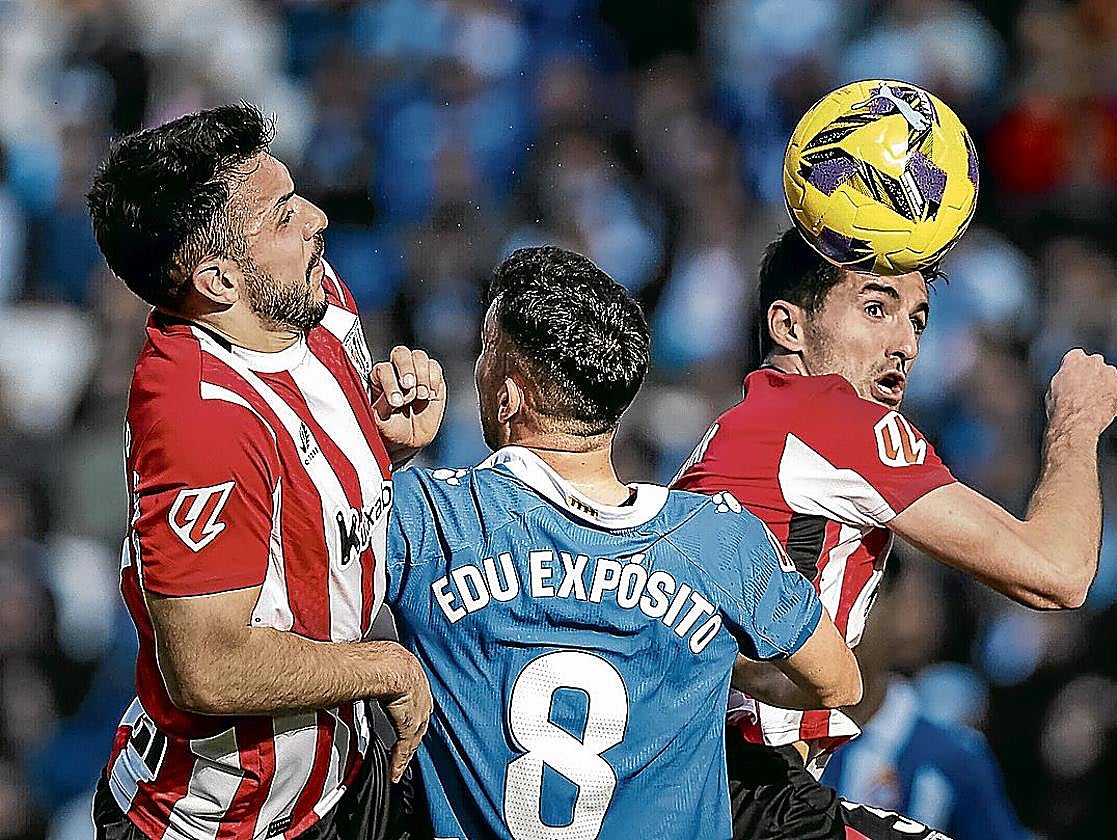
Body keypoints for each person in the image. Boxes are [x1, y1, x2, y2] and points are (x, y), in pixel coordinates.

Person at [385, 245, 863, 840]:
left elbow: (306, 607)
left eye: (486, 352)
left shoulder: (429, 513)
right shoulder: (717, 537)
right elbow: (839, 682)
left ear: (508, 395)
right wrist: (699, 667)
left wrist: (389, 455)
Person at [673, 227, 1117, 840]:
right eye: (875, 308)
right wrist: (1077, 421)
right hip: (738, 789)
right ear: (789, 327)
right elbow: (1059, 573)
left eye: (917, 318)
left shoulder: (734, 432)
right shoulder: (830, 418)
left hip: (691, 784)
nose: (905, 343)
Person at [86, 103, 444, 840]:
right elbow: (208, 667)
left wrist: (383, 446)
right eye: (282, 215)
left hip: (340, 776)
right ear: (218, 280)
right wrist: (387, 670)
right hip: (222, 819)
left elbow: (303, 503)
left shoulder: (300, 292)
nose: (316, 217)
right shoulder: (201, 417)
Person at [820, 587, 1029, 840]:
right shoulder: (785, 740)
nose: (843, 626)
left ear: (892, 611)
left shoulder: (954, 756)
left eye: (859, 605)